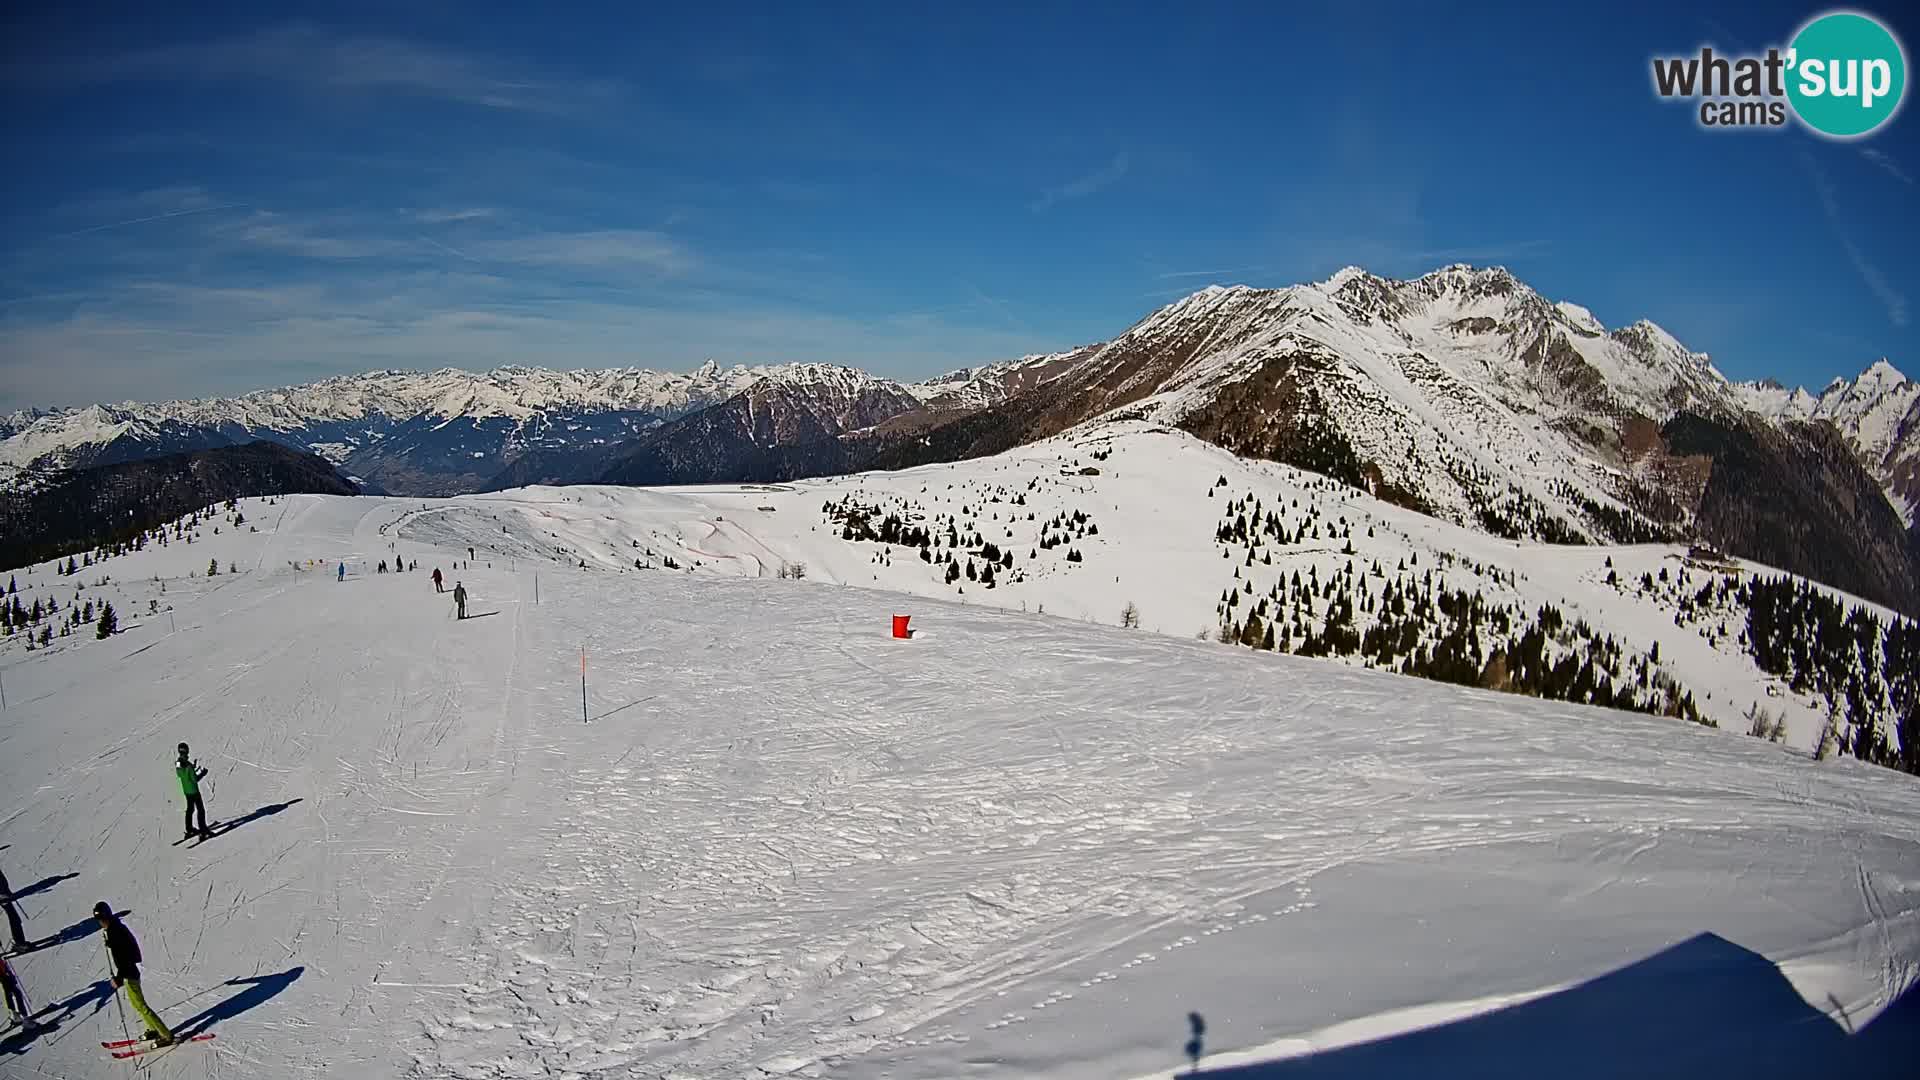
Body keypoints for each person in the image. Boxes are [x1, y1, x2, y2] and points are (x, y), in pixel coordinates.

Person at [96, 903, 172, 1046]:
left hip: (128, 973)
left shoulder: (114, 932)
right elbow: (127, 946)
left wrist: (118, 978)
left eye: (102, 919)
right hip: (129, 971)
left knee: (141, 1006)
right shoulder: (116, 928)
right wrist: (111, 943)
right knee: (137, 1005)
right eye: (99, 920)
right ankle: (153, 1029)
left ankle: (166, 1035)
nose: (101, 923)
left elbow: (124, 957)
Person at [176, 744, 211, 842]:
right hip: (194, 790)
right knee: (200, 810)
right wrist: (203, 774)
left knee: (190, 809)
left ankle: (189, 828)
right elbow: (195, 779)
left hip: (186, 791)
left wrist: (192, 766)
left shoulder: (178, 763)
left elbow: (180, 773)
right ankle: (203, 831)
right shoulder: (188, 766)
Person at [0, 865, 27, 953]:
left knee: (14, 917)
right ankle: (20, 944)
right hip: (2, 896)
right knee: (14, 917)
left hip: (3, 894)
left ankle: (20, 943)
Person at [0, 951, 26, 1030]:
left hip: (4, 975)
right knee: (16, 994)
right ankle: (22, 1016)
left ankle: (16, 1014)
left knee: (10, 995)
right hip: (5, 976)